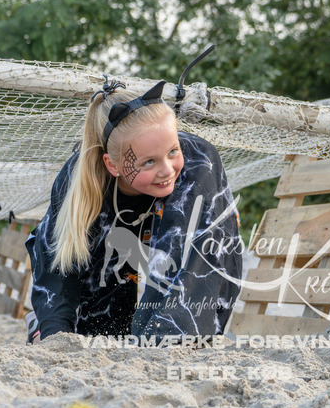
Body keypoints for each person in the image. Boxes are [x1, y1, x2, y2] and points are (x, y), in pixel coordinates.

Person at [25, 79, 243, 344]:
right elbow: (57, 262)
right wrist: (55, 334)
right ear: (113, 165)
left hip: (176, 235)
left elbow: (202, 254)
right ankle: (43, 324)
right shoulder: (79, 178)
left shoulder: (197, 161)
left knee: (169, 333)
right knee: (92, 332)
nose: (166, 170)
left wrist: (161, 338)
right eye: (149, 161)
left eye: (173, 151)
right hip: (111, 239)